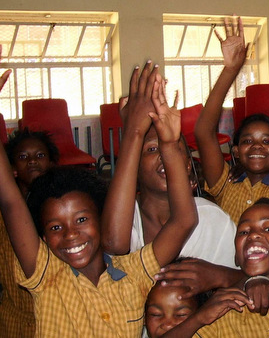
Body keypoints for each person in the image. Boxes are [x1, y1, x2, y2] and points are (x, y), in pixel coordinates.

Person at [0, 69, 198, 337]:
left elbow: (184, 220)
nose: (70, 234)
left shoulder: (134, 273)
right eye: (56, 228)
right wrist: (135, 132)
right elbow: (10, 201)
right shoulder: (47, 276)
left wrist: (170, 143)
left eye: (81, 220)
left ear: (102, 219)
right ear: (44, 239)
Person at [101, 62, 237, 269]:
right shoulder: (122, 215)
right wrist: (133, 131)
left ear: (188, 166)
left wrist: (219, 277)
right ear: (134, 166)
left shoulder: (213, 220)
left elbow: (244, 278)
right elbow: (113, 243)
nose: (164, 156)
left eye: (173, 148)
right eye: (152, 149)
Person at [195, 16, 269, 224]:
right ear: (236, 151)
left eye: (267, 141)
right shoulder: (226, 183)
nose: (257, 146)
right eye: (247, 141)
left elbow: (265, 222)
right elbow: (204, 132)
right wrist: (230, 70)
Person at [157, 198, 269, 337]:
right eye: (244, 232)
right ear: (237, 257)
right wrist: (199, 319)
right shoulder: (226, 307)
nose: (253, 235)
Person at [0, 128, 59, 337]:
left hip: (54, 317)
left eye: (40, 155)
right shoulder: (4, 217)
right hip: (13, 318)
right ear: (12, 169)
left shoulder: (63, 212)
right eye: (23, 157)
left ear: (51, 164)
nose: (32, 161)